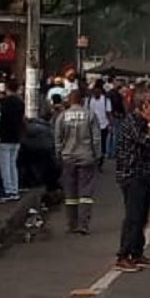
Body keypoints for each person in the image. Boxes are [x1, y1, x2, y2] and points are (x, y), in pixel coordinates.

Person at [115, 93, 150, 271]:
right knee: (133, 217)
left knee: (142, 217)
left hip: (143, 175)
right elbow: (146, 142)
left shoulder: (143, 123)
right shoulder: (132, 123)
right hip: (131, 175)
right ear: (143, 107)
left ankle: (137, 253)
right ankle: (123, 255)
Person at [55, 89, 100, 234]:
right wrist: (97, 156)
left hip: (68, 157)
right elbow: (96, 139)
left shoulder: (62, 116)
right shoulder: (90, 115)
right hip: (86, 157)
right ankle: (83, 225)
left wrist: (59, 155)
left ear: (69, 100)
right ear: (82, 100)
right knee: (85, 192)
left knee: (70, 193)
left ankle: (71, 224)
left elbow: (58, 139)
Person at [0, 79, 26, 202]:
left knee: (5, 166)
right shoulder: (20, 103)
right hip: (16, 136)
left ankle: (8, 191)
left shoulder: (1, 102)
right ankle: (14, 189)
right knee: (13, 165)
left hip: (3, 136)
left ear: (7, 89)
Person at [87, 80, 112, 171]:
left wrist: (110, 125)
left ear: (101, 91)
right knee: (91, 145)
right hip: (91, 126)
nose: (96, 92)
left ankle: (100, 163)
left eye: (98, 90)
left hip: (103, 125)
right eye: (95, 90)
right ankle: (92, 161)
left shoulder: (106, 100)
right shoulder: (89, 100)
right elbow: (86, 112)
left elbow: (109, 113)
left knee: (102, 145)